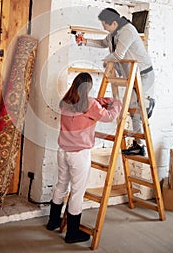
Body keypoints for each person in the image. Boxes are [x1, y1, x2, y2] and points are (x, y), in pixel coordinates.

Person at [46, 72, 122, 243]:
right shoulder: (90, 104)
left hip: (63, 151)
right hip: (79, 155)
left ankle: (53, 222)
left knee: (61, 185)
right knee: (77, 193)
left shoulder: (66, 102)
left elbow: (91, 103)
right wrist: (116, 102)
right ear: (88, 87)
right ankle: (72, 234)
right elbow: (109, 117)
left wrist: (102, 100)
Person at [76, 7, 155, 156]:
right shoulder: (113, 33)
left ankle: (147, 103)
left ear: (113, 22)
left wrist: (107, 62)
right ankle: (139, 145)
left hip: (143, 74)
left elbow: (118, 55)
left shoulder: (127, 31)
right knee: (134, 112)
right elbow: (102, 44)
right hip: (133, 74)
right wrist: (85, 41)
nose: (103, 27)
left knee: (134, 108)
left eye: (104, 24)